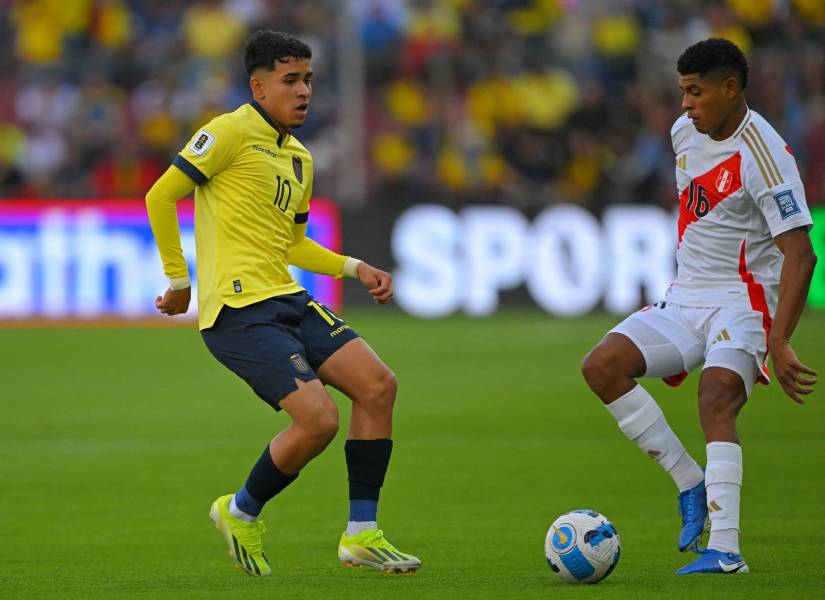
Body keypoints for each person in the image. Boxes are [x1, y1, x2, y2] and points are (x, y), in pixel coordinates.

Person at [145, 30, 421, 576]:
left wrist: (354, 267)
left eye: (308, 80)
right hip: (238, 313)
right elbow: (161, 195)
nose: (304, 92)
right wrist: (179, 281)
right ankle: (240, 510)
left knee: (378, 386)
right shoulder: (226, 132)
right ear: (259, 85)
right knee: (318, 420)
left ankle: (362, 535)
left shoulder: (298, 156)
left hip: (288, 299)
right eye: (290, 80)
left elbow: (294, 243)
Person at [581, 38, 817, 575]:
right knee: (602, 366)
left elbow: (801, 255)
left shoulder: (767, 155)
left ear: (730, 88)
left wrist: (778, 341)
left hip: (744, 304)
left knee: (715, 398)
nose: (685, 104)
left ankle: (727, 550)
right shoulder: (683, 133)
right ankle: (690, 481)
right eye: (682, 91)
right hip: (684, 297)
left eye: (696, 91)